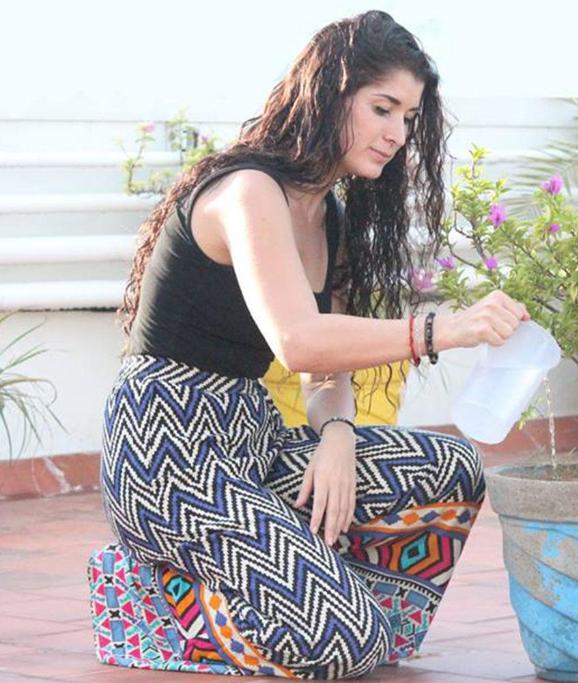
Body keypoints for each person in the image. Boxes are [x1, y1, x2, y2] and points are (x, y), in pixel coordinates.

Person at [87, 11, 529, 679]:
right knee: (344, 644)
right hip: (168, 453)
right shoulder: (247, 192)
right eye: (383, 108)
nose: (396, 133)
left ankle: (306, 589)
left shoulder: (330, 217)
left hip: (253, 440)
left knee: (453, 467)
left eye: (408, 117)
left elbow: (327, 372)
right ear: (330, 92)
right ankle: (154, 604)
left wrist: (339, 435)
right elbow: (299, 342)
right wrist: (447, 329)